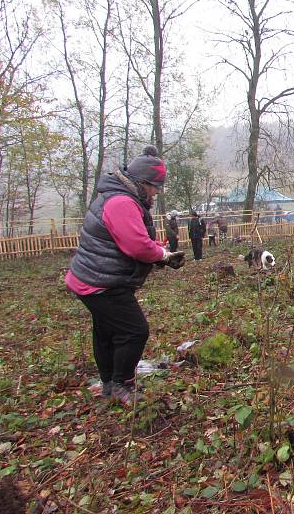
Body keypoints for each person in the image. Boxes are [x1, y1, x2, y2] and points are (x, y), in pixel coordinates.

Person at [65, 146, 185, 407]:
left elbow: (130, 238)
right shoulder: (121, 202)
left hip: (92, 276)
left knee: (107, 331)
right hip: (103, 282)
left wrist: (155, 247)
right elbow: (137, 246)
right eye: (154, 187)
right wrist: (163, 255)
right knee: (134, 331)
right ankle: (122, 385)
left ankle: (108, 384)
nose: (156, 192)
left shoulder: (118, 196)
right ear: (142, 183)